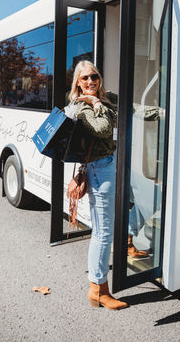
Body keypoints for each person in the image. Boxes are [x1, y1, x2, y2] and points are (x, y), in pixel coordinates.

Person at [65, 60, 128, 310]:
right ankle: (97, 289)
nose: (90, 82)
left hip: (111, 165)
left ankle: (101, 286)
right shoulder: (81, 106)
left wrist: (161, 112)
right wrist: (95, 102)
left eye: (94, 77)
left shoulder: (106, 99)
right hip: (100, 170)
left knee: (114, 221)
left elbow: (129, 109)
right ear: (77, 83)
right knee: (103, 233)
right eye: (84, 79)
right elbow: (103, 128)